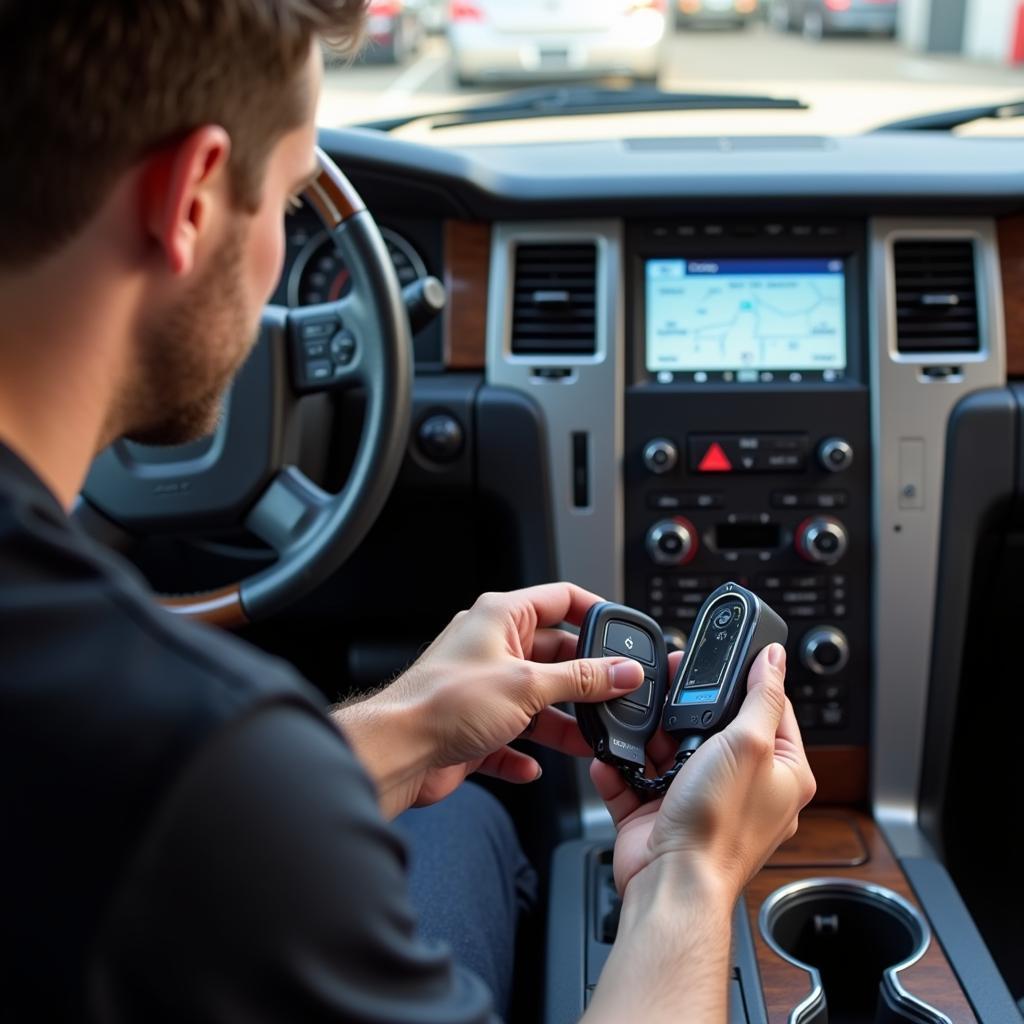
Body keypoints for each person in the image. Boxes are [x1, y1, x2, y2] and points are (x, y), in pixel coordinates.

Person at [0, 2, 816, 1022]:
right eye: (293, 197)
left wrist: (398, 727)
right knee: (471, 824)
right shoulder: (193, 755)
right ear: (190, 198)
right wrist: (686, 875)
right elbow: (182, 805)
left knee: (457, 809)